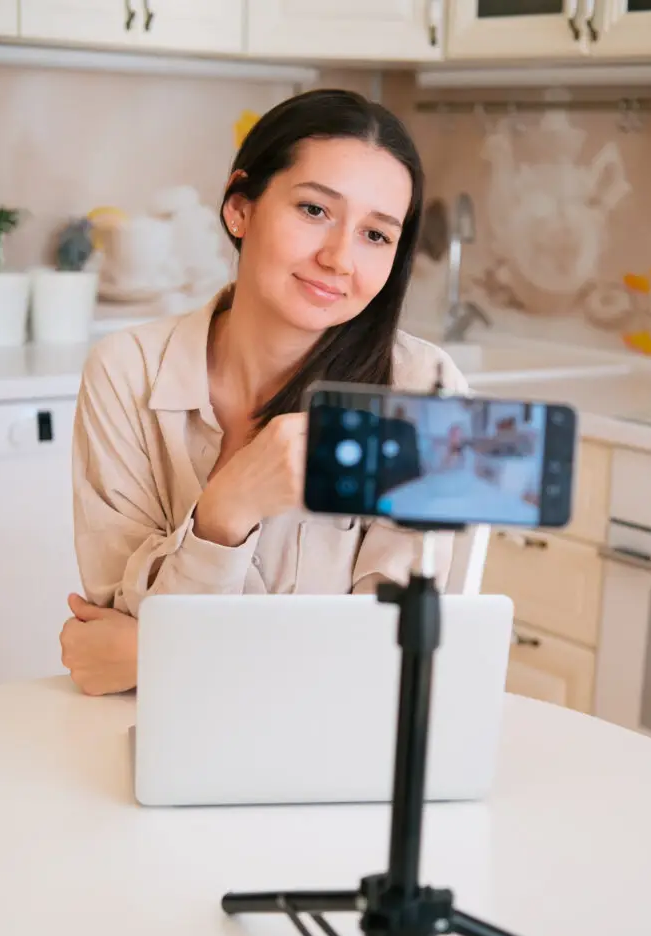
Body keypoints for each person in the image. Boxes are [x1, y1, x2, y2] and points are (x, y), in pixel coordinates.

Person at [60, 88, 468, 697]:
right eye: (314, 211)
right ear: (240, 208)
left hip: (337, 755)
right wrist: (224, 513)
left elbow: (386, 665)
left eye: (376, 236)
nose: (339, 259)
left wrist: (151, 655)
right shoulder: (126, 373)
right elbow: (111, 611)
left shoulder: (423, 392)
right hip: (150, 738)